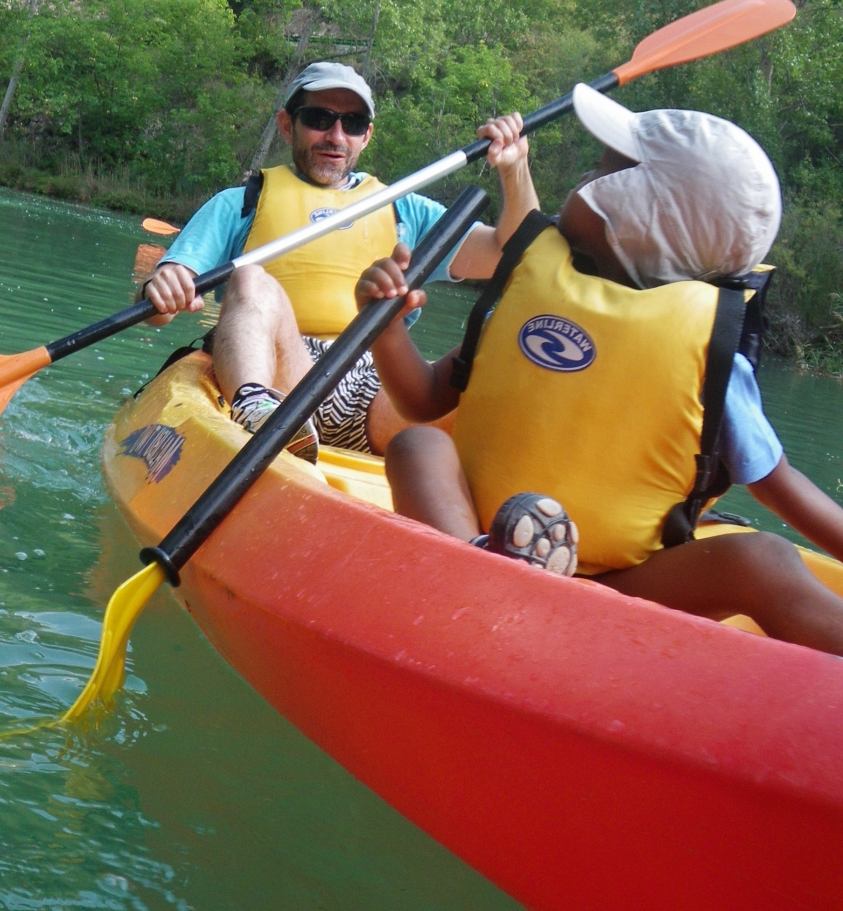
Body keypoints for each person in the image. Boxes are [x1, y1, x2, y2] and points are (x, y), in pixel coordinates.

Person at [361, 84, 843, 654]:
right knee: (418, 445)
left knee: (762, 558)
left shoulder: (709, 348)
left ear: (645, 213)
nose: (585, 177)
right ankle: (483, 573)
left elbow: (780, 488)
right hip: (480, 541)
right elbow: (422, 400)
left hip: (624, 586)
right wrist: (385, 329)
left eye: (604, 170)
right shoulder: (533, 283)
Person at [143, 60, 533, 458]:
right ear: (285, 123)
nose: (336, 135)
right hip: (277, 373)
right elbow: (160, 305)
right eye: (319, 118)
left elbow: (514, 254)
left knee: (487, 391)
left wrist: (515, 169)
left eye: (353, 123)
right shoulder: (239, 203)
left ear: (367, 136)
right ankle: (261, 418)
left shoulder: (405, 210)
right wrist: (165, 286)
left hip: (374, 385)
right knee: (249, 279)